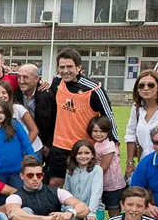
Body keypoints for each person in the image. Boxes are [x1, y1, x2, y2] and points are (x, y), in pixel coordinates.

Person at [49, 48, 117, 187]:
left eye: (69, 66)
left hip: (83, 147)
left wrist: (115, 141)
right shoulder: (56, 82)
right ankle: (52, 209)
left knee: (82, 184)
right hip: (59, 145)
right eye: (62, 67)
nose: (65, 70)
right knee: (55, 182)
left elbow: (108, 115)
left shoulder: (93, 89)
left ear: (79, 67)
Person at [63, 140, 104, 220]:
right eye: (80, 153)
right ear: (74, 155)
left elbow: (96, 192)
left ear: (92, 155)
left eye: (87, 153)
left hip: (94, 209)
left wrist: (91, 212)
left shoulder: (97, 170)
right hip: (76, 208)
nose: (83, 156)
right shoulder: (70, 170)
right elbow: (68, 192)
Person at [0, 100, 34, 194]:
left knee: (19, 196)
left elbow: (26, 144)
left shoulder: (14, 124)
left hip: (17, 172)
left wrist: (33, 163)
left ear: (6, 114)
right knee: (0, 202)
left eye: (1, 112)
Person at [0, 80, 43, 161]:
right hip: (14, 152)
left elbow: (34, 130)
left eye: (4, 92)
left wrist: (24, 149)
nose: (1, 96)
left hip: (32, 148)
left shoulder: (18, 108)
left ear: (9, 94)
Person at [14, 63, 55, 161]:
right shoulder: (17, 93)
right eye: (19, 77)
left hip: (42, 143)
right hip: (23, 140)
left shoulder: (46, 95)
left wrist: (48, 144)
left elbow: (54, 120)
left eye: (25, 77)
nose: (21, 81)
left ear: (36, 78)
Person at [89, 116, 126, 220]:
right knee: (97, 208)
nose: (98, 134)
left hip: (112, 186)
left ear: (108, 132)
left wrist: (91, 179)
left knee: (114, 212)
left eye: (102, 131)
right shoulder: (97, 144)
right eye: (95, 131)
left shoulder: (108, 146)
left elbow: (103, 168)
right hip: (101, 184)